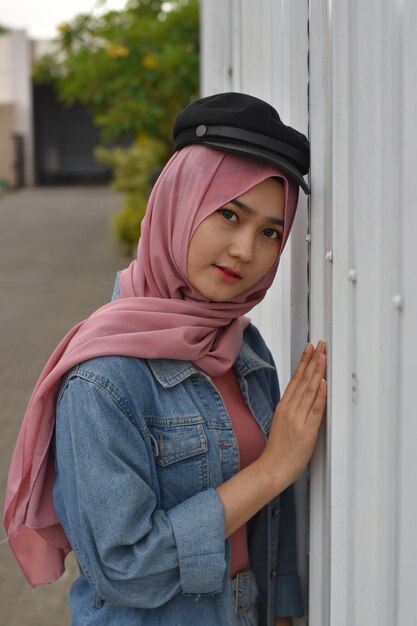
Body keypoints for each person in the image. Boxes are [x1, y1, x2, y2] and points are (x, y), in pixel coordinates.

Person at [3, 92, 327, 626]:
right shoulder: (103, 379)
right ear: (178, 204)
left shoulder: (245, 349)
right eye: (229, 214)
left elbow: (270, 526)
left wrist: (284, 612)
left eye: (270, 231)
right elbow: (123, 568)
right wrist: (271, 471)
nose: (246, 250)